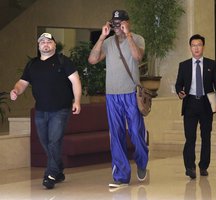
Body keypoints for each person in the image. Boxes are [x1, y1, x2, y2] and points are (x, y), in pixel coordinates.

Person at [10, 32, 82, 189]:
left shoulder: (63, 61)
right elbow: (22, 83)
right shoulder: (32, 65)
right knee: (46, 142)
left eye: (49, 41)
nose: (45, 44)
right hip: (41, 111)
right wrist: (16, 90)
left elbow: (75, 81)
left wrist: (77, 101)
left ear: (54, 45)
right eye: (42, 41)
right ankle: (59, 169)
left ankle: (50, 174)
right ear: (38, 45)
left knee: (54, 141)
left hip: (61, 109)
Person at [88, 10, 148, 189]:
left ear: (127, 23)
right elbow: (92, 60)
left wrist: (128, 34)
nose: (117, 26)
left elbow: (138, 57)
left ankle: (142, 161)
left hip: (131, 94)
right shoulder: (107, 43)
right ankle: (121, 176)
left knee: (136, 132)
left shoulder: (137, 39)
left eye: (120, 23)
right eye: (115, 23)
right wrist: (101, 37)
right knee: (116, 135)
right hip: (112, 96)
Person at [175, 34, 216, 179]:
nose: (196, 48)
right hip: (190, 103)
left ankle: (203, 166)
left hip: (206, 103)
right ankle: (190, 167)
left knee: (205, 137)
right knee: (190, 137)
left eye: (199, 45)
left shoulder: (211, 64)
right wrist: (180, 92)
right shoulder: (183, 65)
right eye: (193, 45)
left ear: (203, 47)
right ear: (190, 47)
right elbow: (179, 84)